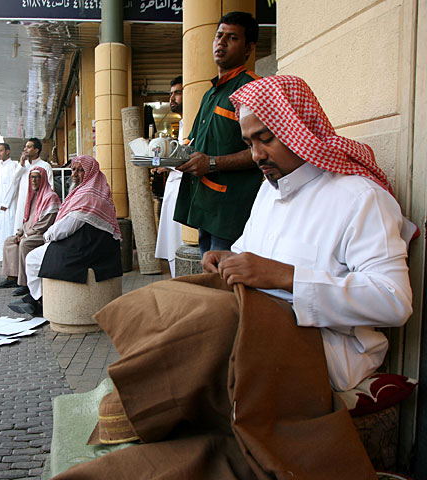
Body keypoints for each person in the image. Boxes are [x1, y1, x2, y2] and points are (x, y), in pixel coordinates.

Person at [52, 75, 414, 479]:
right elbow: (248, 251)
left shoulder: (361, 198)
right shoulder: (269, 191)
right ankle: (148, 409)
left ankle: (142, 413)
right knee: (170, 297)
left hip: (329, 346)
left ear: (300, 130)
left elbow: (394, 301)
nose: (257, 155)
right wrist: (227, 258)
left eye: (266, 139)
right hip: (258, 318)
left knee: (214, 326)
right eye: (249, 143)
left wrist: (284, 276)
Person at [174, 11, 263, 257]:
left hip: (231, 210)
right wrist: (173, 158)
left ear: (248, 48)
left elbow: (262, 152)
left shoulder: (253, 89)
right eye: (219, 35)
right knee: (208, 276)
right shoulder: (210, 93)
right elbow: (196, 143)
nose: (221, 42)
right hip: (205, 204)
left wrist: (212, 163)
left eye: (231, 38)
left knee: (223, 281)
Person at [13, 155, 123, 315]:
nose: (74, 174)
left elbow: (66, 227)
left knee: (32, 258)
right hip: (92, 245)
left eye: (80, 170)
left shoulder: (88, 195)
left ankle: (39, 300)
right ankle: (36, 297)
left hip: (86, 249)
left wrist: (48, 236)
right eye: (73, 170)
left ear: (90, 173)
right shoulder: (96, 191)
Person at [0, 166, 59, 295]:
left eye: (37, 177)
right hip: (30, 232)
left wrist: (25, 235)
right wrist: (20, 232)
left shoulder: (50, 196)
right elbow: (27, 220)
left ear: (43, 179)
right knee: (9, 241)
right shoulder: (33, 196)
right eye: (31, 177)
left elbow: (45, 223)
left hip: (43, 234)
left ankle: (25, 284)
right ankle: (12, 277)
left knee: (25, 243)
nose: (33, 180)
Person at [154, 75, 184, 277]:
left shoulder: (193, 121)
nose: (172, 98)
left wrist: (168, 165)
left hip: (184, 191)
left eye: (178, 93)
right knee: (173, 246)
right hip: (173, 190)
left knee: (181, 244)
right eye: (171, 94)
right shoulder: (182, 124)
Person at [13, 138, 54, 235]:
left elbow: (50, 187)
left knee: (32, 233)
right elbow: (14, 180)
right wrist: (21, 165)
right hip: (22, 204)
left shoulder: (45, 166)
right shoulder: (23, 165)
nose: (25, 149)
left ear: (36, 150)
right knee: (18, 233)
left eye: (29, 147)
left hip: (37, 205)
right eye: (25, 147)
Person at [0, 142, 19, 262]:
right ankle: (5, 263)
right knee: (1, 235)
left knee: (10, 233)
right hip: (0, 209)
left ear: (8, 151)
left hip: (10, 206)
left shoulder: (14, 165)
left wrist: (6, 203)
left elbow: (14, 185)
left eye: (1, 150)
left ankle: (11, 264)